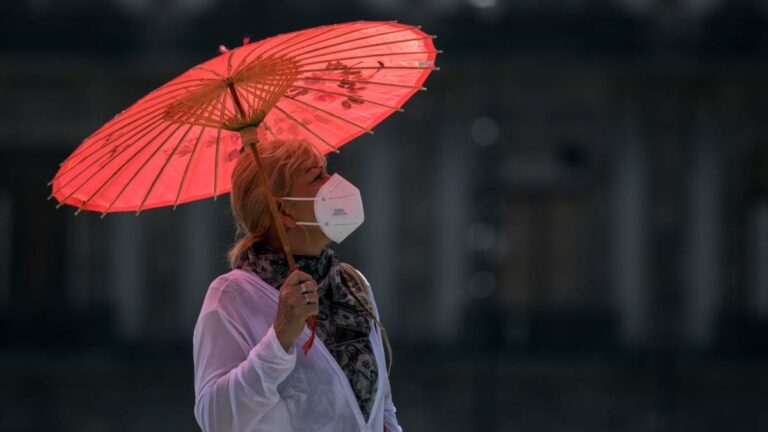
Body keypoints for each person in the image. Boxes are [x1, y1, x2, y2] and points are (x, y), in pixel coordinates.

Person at [192, 138, 402, 432]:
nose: (334, 183)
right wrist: (279, 337)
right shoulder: (231, 296)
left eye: (326, 171)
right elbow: (215, 419)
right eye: (317, 177)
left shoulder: (352, 285)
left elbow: (383, 410)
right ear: (283, 212)